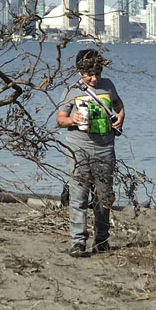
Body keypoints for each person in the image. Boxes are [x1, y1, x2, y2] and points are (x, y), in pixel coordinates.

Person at [56, 49, 125, 257]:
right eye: (89, 74)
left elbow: (119, 105)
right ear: (79, 72)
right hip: (78, 148)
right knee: (78, 196)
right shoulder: (71, 90)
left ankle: (102, 240)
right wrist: (72, 119)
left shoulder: (108, 85)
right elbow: (60, 119)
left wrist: (121, 117)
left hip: (105, 148)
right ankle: (78, 242)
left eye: (98, 74)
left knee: (103, 197)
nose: (94, 79)